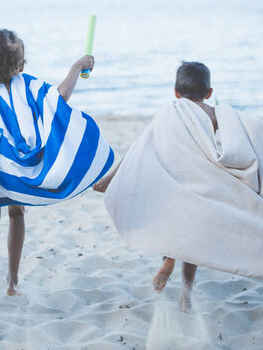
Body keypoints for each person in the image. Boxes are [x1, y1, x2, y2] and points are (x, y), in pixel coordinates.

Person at [0, 29, 114, 342]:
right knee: (17, 215)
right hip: (20, 178)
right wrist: (76, 68)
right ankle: (14, 283)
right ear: (21, 64)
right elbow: (58, 102)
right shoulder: (31, 85)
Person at [96, 61, 263, 312]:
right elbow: (247, 130)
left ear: (176, 91)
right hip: (201, 185)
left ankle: (168, 260)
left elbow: (141, 146)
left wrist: (111, 178)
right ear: (209, 92)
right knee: (192, 239)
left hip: (173, 184)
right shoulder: (215, 113)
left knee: (175, 227)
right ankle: (185, 295)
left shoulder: (168, 112)